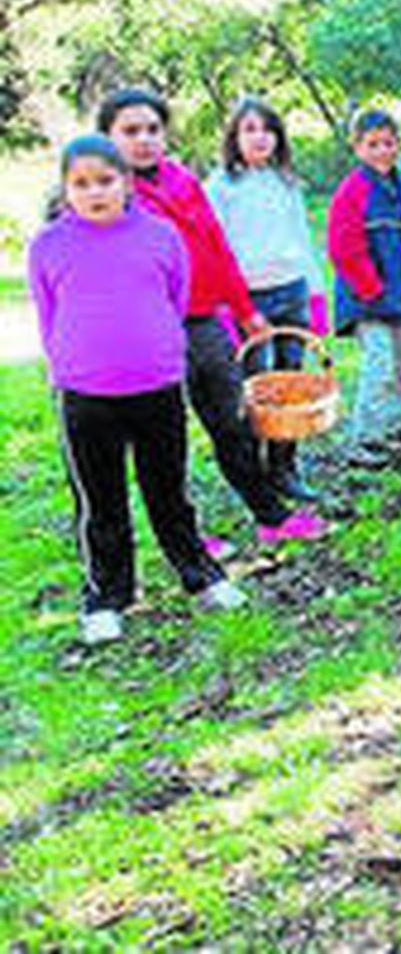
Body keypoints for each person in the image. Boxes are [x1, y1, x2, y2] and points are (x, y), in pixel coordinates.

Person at [30, 136, 247, 645]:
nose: (95, 193)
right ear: (65, 190)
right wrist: (69, 364)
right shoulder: (49, 244)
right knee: (100, 501)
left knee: (168, 491)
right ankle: (107, 596)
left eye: (105, 181)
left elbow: (174, 298)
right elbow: (47, 313)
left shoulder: (160, 236)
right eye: (81, 184)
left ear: (126, 183)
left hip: (156, 385)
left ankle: (199, 574)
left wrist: (157, 351)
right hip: (84, 394)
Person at [97, 88, 325, 547]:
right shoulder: (107, 193)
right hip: (150, 333)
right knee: (165, 438)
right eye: (130, 131)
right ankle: (186, 538)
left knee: (233, 421)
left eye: (152, 130)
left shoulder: (181, 179)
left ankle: (271, 516)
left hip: (203, 321)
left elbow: (217, 248)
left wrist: (244, 310)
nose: (144, 140)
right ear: (108, 137)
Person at [206, 96, 327, 502]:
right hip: (248, 299)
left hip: (290, 290)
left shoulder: (286, 181)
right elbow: (214, 249)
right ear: (234, 137)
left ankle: (285, 467)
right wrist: (230, 306)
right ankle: (256, 473)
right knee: (258, 387)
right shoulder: (222, 186)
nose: (259, 138)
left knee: (292, 385)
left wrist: (316, 295)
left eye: (267, 129)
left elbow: (302, 238)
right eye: (249, 129)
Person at [327, 110, 401, 466]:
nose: (382, 151)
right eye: (372, 144)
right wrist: (370, 287)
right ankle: (364, 437)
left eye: (388, 143)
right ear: (357, 148)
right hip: (368, 298)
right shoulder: (353, 189)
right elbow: (343, 246)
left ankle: (392, 427)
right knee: (380, 364)